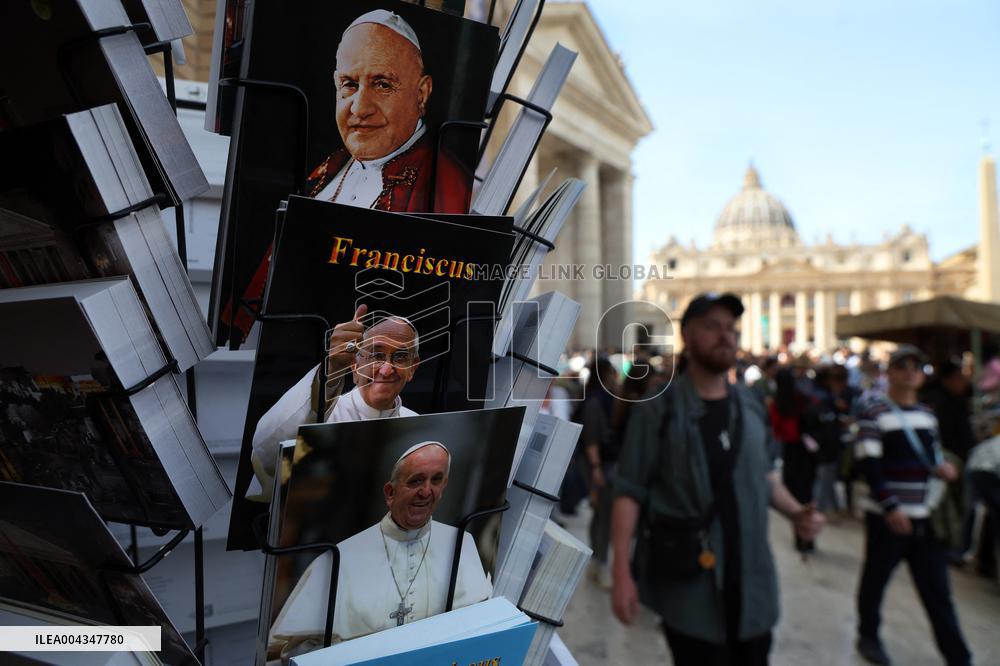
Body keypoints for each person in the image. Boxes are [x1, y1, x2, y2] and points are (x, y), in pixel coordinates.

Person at [226, 9, 471, 338]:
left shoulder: (446, 183)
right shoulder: (331, 167)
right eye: (349, 85)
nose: (359, 107)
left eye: (382, 84)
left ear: (421, 93)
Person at [610, 293, 824, 666]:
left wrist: (796, 513)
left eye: (731, 328)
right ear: (688, 337)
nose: (725, 336)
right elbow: (629, 490)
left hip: (753, 587)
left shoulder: (753, 405)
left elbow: (765, 475)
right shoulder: (658, 411)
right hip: (691, 592)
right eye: (712, 327)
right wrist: (621, 573)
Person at [268, 441, 491, 658]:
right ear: (390, 493)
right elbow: (294, 652)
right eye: (416, 481)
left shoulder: (461, 543)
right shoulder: (339, 559)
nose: (426, 491)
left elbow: (480, 629)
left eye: (436, 480)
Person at [854, 345, 971, 666]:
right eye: (902, 366)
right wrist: (891, 508)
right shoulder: (874, 412)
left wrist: (944, 468)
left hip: (924, 517)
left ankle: (958, 656)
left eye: (916, 367)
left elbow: (932, 456)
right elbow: (869, 465)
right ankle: (868, 635)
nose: (910, 371)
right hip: (887, 519)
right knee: (875, 582)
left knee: (938, 593)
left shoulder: (927, 415)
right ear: (889, 373)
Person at [249, 305, 420, 499]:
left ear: (412, 368)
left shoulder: (419, 427)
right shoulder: (319, 411)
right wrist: (332, 368)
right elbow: (267, 454)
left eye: (400, 357)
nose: (386, 370)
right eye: (376, 355)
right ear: (355, 366)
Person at [577, 357, 620, 588]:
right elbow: (591, 440)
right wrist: (596, 470)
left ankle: (597, 561)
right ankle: (600, 563)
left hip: (599, 465)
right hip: (598, 466)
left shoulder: (599, 398)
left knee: (601, 515)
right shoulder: (595, 402)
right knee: (604, 515)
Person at [770, 368, 820, 552]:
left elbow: (777, 429)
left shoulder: (777, 403)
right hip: (808, 452)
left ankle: (801, 537)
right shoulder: (804, 398)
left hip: (791, 452)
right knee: (807, 494)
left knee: (795, 498)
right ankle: (809, 537)